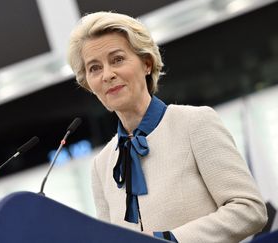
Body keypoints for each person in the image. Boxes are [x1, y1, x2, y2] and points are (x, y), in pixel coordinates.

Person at [67, 11, 267, 243]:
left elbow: (250, 209)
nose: (107, 75)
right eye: (94, 68)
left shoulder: (195, 122)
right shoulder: (101, 166)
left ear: (146, 63)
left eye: (117, 59)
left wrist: (171, 239)